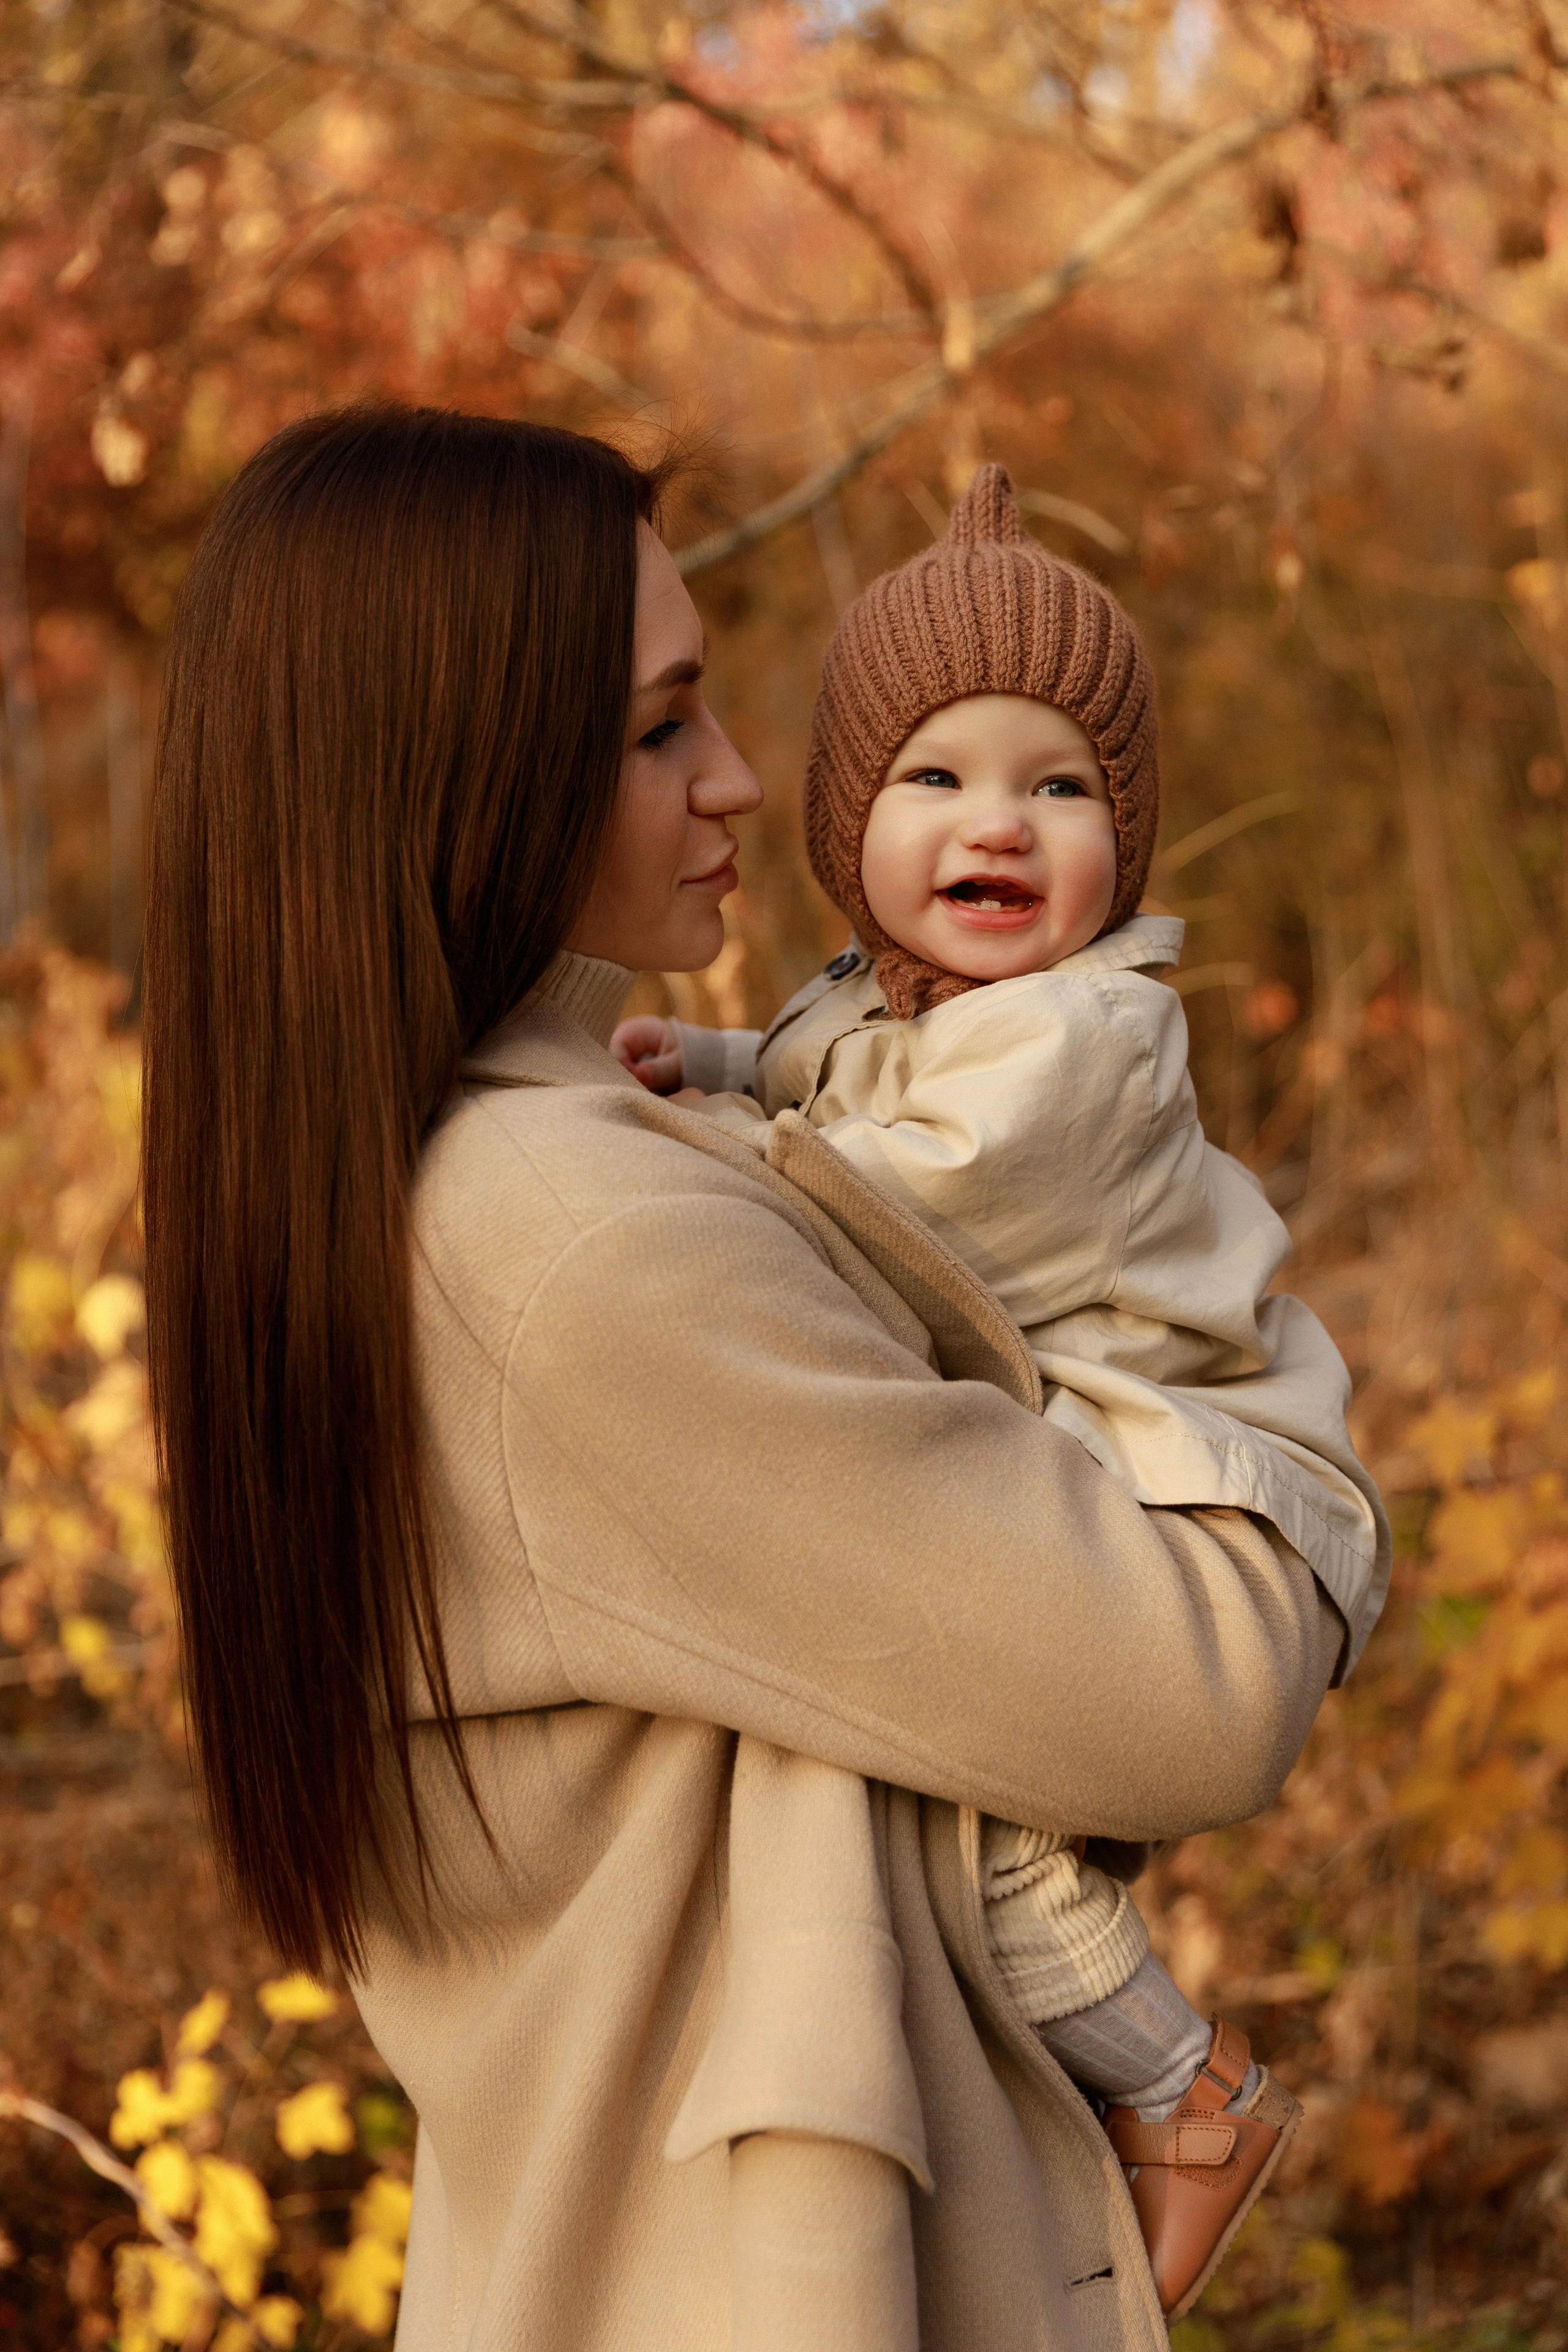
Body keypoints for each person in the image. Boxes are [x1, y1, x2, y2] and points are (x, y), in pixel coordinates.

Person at [144, 407, 1375, 2352]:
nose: (735, 776)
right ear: (460, 767)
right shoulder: (576, 1245)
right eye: (659, 730)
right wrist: (1276, 1385)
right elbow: (1204, 1690)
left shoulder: (429, 1176)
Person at [614, 464, 1390, 2316]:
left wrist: (690, 1159)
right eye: (936, 778)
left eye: (1062, 789)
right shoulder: (883, 1001)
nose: (1001, 826)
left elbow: (906, 1199)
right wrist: (710, 1060)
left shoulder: (1085, 1037)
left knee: (997, 1854)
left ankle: (1184, 2090)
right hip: (1092, 1452)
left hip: (1196, 1470)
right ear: (848, 818)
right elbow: (815, 1071)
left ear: (1128, 836)